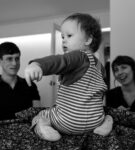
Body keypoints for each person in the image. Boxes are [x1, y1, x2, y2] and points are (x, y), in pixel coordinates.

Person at [24, 13, 113, 141]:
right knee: (104, 114)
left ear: (88, 40)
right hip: (95, 120)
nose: (64, 40)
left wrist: (37, 64)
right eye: (62, 36)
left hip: (67, 121)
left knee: (43, 113)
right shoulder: (101, 67)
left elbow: (59, 61)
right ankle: (106, 121)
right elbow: (101, 92)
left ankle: (41, 125)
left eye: (69, 36)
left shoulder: (78, 56)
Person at [0, 42, 40, 120]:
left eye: (17, 58)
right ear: (0, 60)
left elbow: (37, 115)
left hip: (26, 129)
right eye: (9, 59)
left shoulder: (30, 85)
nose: (14, 63)